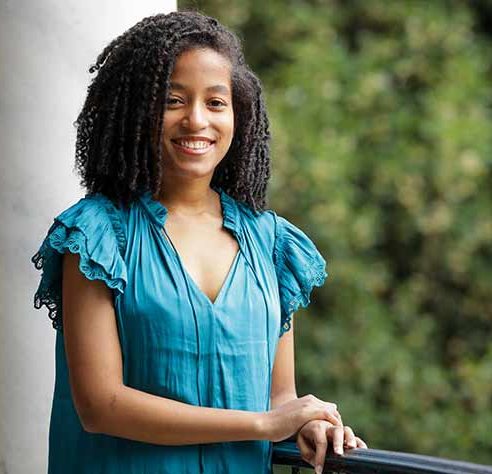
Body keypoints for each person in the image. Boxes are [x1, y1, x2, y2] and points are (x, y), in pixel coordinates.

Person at [31, 10, 367, 474]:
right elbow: (100, 405)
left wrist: (305, 423)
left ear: (238, 114)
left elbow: (278, 396)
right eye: (173, 100)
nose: (196, 120)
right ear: (135, 110)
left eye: (215, 102)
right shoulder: (96, 236)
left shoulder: (269, 242)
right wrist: (263, 425)